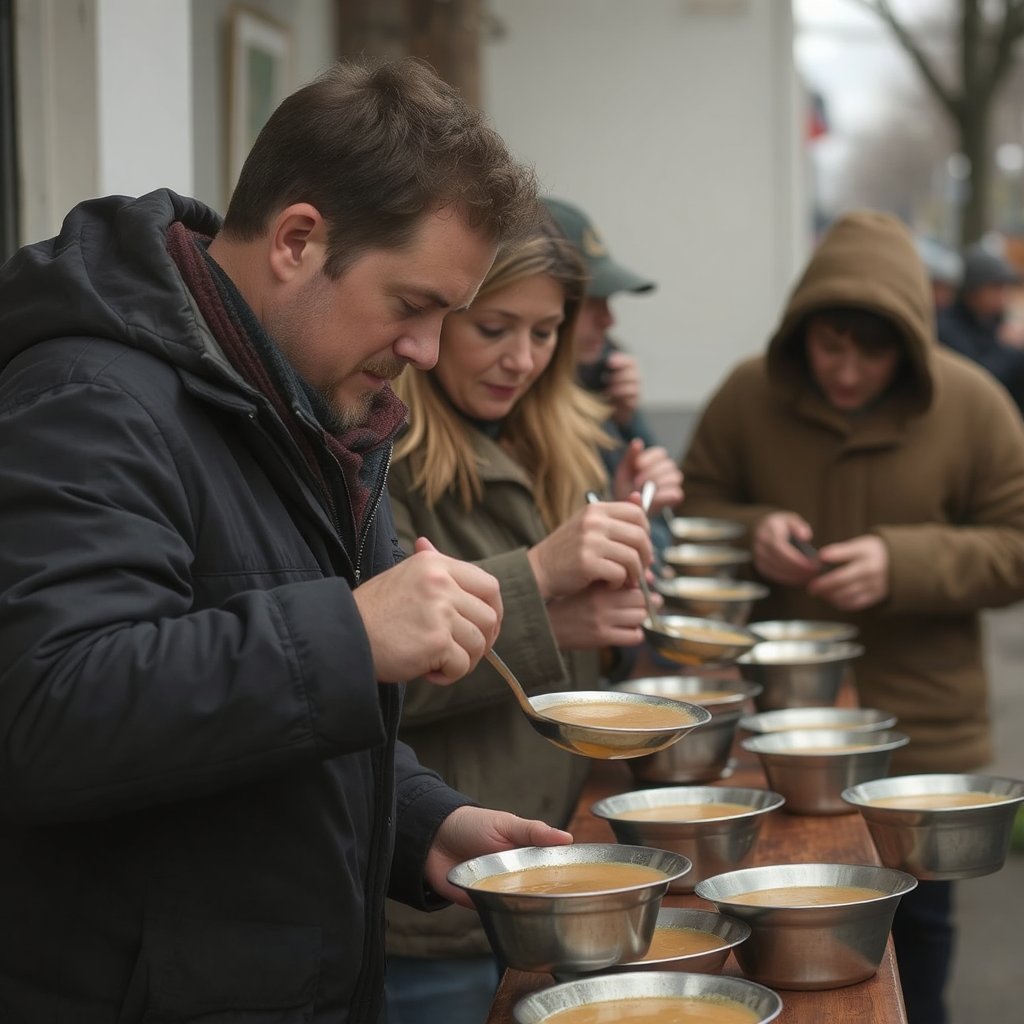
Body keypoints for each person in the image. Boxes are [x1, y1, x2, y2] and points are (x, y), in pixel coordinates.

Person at [0, 58, 574, 1024]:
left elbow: (258, 736)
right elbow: (47, 715)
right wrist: (350, 633)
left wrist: (422, 824)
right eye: (412, 306)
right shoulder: (88, 401)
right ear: (300, 240)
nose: (429, 353)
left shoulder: (310, 403)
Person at [678, 210, 1024, 1024]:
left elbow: (1017, 544)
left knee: (923, 925)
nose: (847, 371)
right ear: (802, 331)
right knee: (785, 921)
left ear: (909, 341)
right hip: (778, 725)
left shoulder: (974, 404)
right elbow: (690, 505)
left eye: (872, 351)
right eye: (831, 346)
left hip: (925, 726)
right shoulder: (745, 393)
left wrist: (902, 563)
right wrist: (751, 528)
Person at [382, 213, 682, 1023]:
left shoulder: (560, 437)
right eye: (494, 328)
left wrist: (631, 549)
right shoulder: (384, 455)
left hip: (559, 864)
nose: (522, 358)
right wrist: (544, 584)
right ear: (437, 309)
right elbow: (370, 685)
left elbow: (608, 651)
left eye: (547, 331)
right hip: (438, 905)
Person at [937, 241, 1024, 416]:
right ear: (973, 291)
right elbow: (977, 378)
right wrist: (1009, 348)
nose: (1003, 296)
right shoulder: (947, 329)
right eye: (995, 288)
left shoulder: (993, 322)